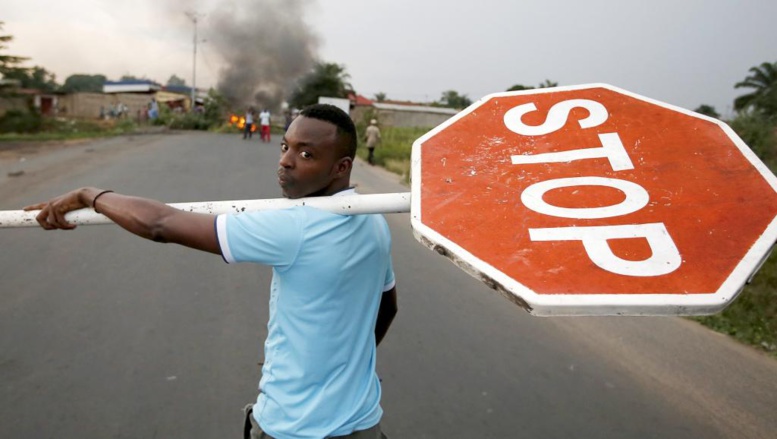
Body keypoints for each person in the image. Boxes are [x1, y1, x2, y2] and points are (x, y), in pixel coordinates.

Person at [24, 103, 398, 439]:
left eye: (306, 154)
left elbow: (160, 223)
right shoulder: (373, 220)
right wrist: (342, 366)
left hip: (294, 427)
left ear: (341, 167)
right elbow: (387, 307)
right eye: (285, 147)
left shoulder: (295, 226)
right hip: (363, 420)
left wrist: (90, 195)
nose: (286, 161)